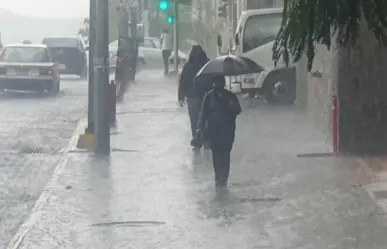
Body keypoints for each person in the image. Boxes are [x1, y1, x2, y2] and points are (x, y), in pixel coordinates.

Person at [196, 76, 242, 187]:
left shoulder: (231, 96)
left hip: (228, 130)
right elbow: (203, 113)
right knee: (216, 154)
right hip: (214, 131)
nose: (218, 85)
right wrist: (199, 128)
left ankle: (224, 177)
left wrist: (232, 105)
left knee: (226, 154)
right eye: (216, 83)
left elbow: (238, 110)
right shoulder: (208, 96)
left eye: (220, 83)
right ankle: (218, 176)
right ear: (213, 84)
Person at [178, 45, 211, 149]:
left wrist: (181, 97)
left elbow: (183, 81)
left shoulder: (188, 66)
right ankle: (206, 140)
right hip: (206, 95)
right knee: (206, 118)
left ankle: (196, 139)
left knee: (194, 119)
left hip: (192, 97)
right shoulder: (207, 64)